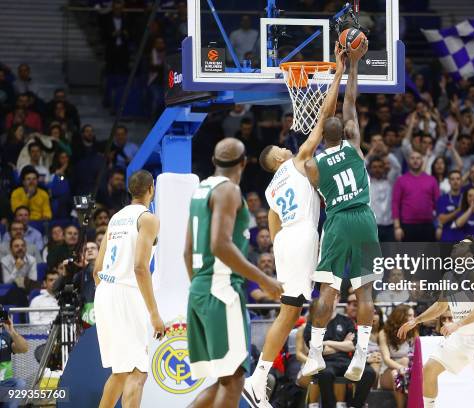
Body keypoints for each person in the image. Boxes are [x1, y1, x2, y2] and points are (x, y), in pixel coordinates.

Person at [243, 43, 347, 407]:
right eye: (279, 148)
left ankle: (263, 376)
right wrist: (337, 72)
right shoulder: (299, 160)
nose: (285, 147)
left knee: (294, 308)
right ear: (279, 158)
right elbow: (325, 117)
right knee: (298, 308)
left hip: (286, 240)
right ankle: (263, 376)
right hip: (301, 236)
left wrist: (278, 247)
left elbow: (270, 223)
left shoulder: (272, 186)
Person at [183, 138, 283, 408]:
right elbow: (220, 244)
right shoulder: (228, 191)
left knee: (225, 379)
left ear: (215, 162)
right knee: (236, 379)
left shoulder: (200, 190)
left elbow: (186, 252)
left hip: (200, 290)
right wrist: (264, 279)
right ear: (244, 162)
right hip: (222, 289)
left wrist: (202, 292)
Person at [302, 39, 375, 383]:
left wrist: (337, 65)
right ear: (345, 134)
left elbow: (321, 121)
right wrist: (353, 64)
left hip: (338, 221)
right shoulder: (356, 145)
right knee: (364, 293)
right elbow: (349, 102)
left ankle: (315, 353)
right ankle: (361, 354)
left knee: (328, 292)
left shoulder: (314, 164)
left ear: (322, 138)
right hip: (365, 218)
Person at [397, 237, 474, 408]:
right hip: (460, 336)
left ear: (469, 255)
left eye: (462, 244)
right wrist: (417, 320)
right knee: (429, 370)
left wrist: (457, 324)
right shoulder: (450, 275)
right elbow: (441, 306)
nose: (456, 245)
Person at [93, 170, 165, 408]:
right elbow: (140, 268)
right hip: (126, 292)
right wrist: (154, 313)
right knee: (138, 371)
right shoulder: (148, 218)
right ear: (151, 189)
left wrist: (110, 295)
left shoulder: (115, 218)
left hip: (104, 291)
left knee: (121, 371)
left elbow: (96, 270)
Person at [302, 293, 377, 408]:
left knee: (369, 372)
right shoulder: (313, 322)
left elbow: (352, 346)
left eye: (334, 297)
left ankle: (355, 405)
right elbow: (316, 349)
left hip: (346, 360)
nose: (331, 301)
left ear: (338, 300)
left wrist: (326, 342)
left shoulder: (346, 321)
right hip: (325, 362)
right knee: (325, 373)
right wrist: (342, 344)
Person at [379, 305, 418, 408]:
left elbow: (416, 356)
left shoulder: (414, 332)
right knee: (396, 372)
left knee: (397, 372)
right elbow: (386, 359)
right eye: (409, 315)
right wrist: (401, 367)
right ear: (400, 316)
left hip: (407, 370)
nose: (413, 319)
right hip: (387, 372)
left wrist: (405, 369)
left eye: (413, 315)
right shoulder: (384, 333)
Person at [0, 314, 28, 408]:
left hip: (4, 384)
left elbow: (24, 348)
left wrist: (12, 332)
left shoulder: (5, 336)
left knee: (20, 383)